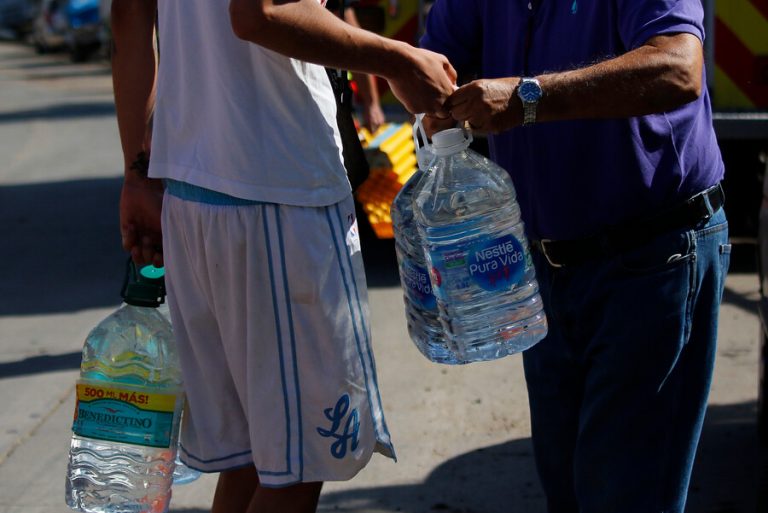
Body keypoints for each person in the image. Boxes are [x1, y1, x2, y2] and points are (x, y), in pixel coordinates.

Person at [110, 1, 456, 512]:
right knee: (299, 467)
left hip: (194, 186)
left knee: (259, 457)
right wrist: (399, 61)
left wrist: (138, 172)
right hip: (276, 186)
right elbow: (259, 13)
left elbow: (129, 16)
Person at [420, 1, 730, 512]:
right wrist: (424, 91)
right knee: (569, 491)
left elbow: (678, 66)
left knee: (625, 495)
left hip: (652, 259)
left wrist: (527, 97)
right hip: (546, 267)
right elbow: (430, 59)